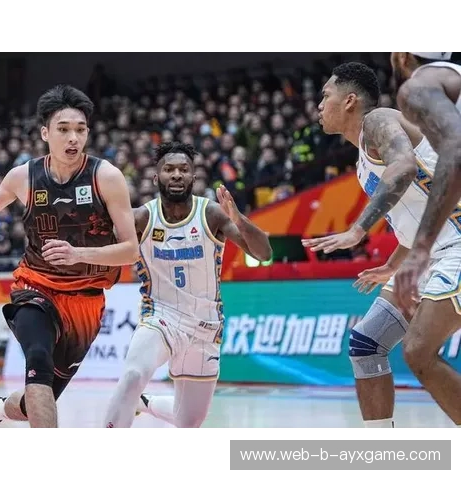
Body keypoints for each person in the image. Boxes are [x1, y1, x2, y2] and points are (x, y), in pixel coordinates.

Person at [0, 84, 139, 429]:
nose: (73, 138)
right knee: (37, 360)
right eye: (63, 129)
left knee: (39, 399)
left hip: (85, 302)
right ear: (45, 133)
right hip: (35, 287)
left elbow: (130, 250)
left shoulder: (106, 177)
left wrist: (78, 253)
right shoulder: (24, 176)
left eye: (80, 129)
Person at [301, 62, 435, 431]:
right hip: (428, 254)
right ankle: (380, 447)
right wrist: (393, 264)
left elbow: (404, 167)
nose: (319, 105)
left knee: (421, 353)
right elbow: (417, 218)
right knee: (367, 342)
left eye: (326, 96)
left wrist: (358, 229)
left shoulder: (379, 120)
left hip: (453, 245)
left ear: (349, 101)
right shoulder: (362, 160)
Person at [102, 141, 272, 429]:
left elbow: (264, 253)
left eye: (183, 169)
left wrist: (239, 218)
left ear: (194, 176)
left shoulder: (211, 213)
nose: (177, 174)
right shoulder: (142, 217)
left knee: (188, 422)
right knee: (133, 375)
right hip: (160, 316)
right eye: (169, 169)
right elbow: (106, 250)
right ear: (156, 177)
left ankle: (144, 403)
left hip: (205, 325)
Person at [388, 51, 461, 429]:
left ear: (402, 55)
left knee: (418, 349)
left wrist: (419, 250)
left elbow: (456, 149)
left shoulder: (419, 85)